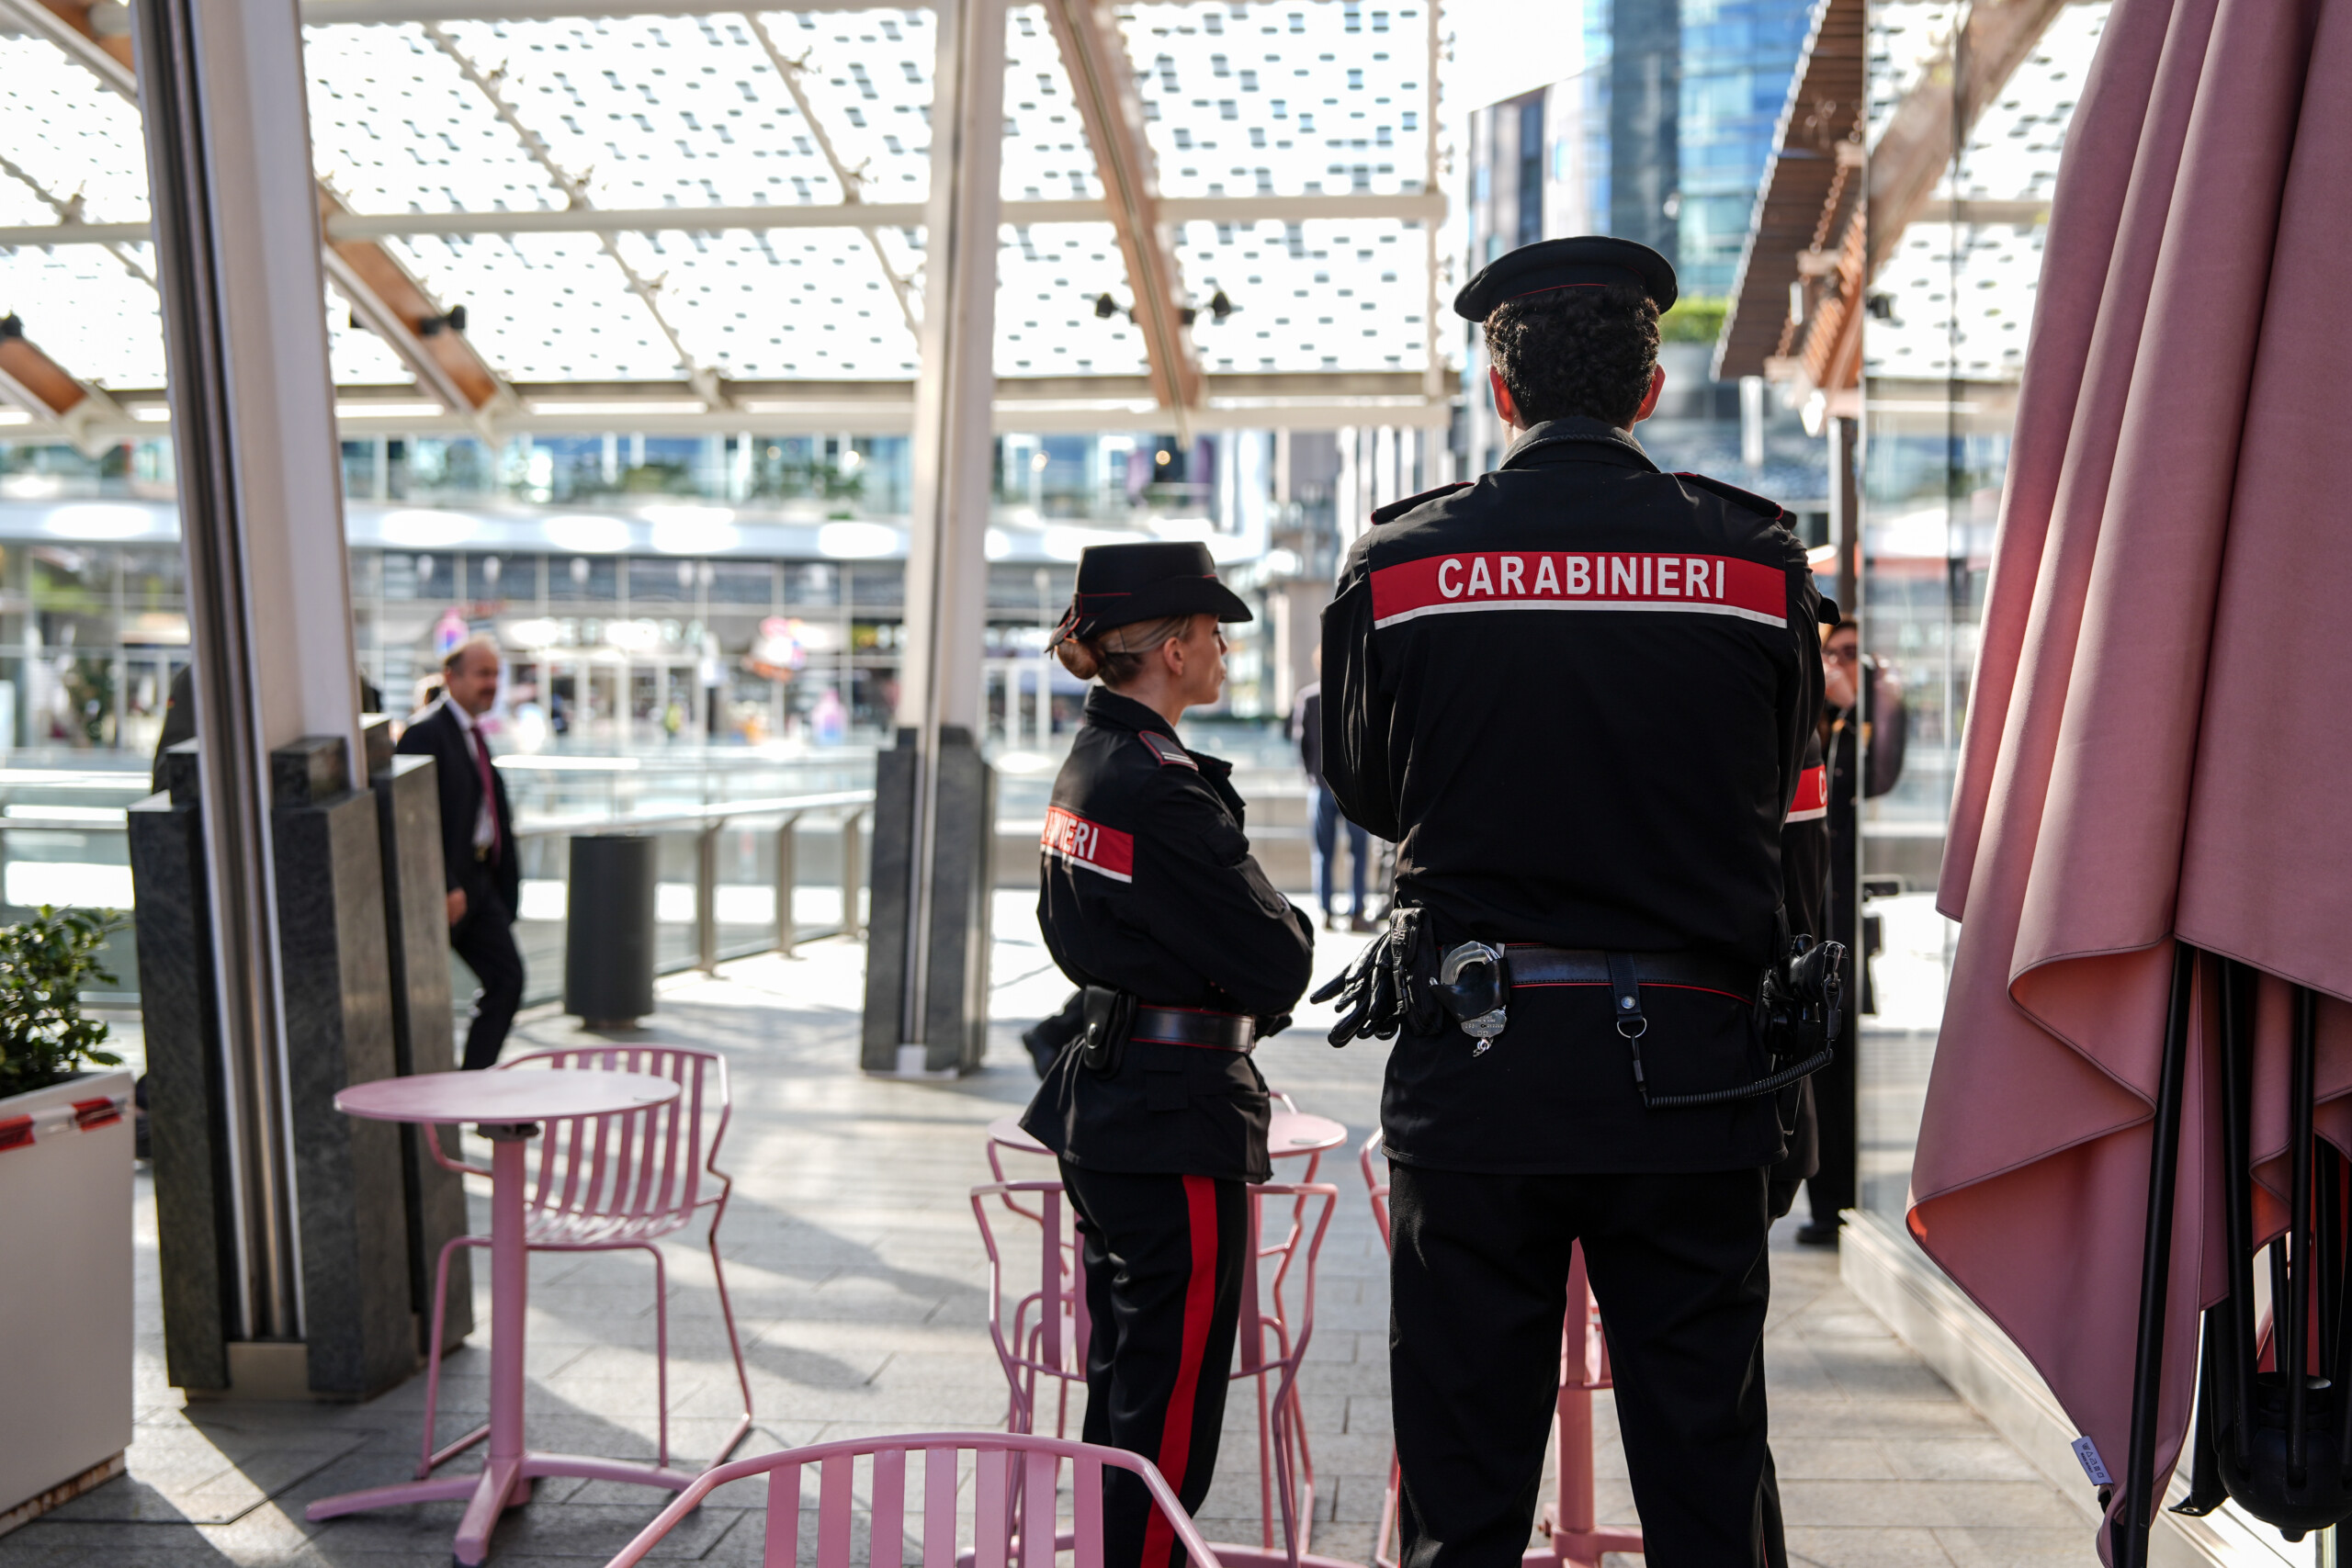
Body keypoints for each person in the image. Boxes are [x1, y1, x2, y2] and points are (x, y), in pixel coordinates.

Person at [1318, 236, 1830, 1567]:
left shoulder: (1400, 563)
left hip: (1478, 1070)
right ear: (1649, 390)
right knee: (1709, 1476)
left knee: (1463, 1485)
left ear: (1501, 391)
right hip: (1699, 1070)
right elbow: (1777, 776)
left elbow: (1369, 787)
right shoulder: (1757, 560)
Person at [1018, 541, 1315, 1568]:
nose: (1225, 649)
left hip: (1113, 1099)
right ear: (1174, 649)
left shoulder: (1094, 763)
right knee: (1171, 1401)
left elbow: (1070, 933)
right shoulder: (1155, 787)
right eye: (1213, 632)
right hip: (1171, 1111)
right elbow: (1278, 959)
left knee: (1128, 1382)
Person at [1798, 617, 1907, 1245]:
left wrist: (1865, 703)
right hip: (1815, 922)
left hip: (1843, 924)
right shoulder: (1815, 725)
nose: (1840, 664)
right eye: (1832, 653)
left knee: (1844, 1066)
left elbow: (1881, 776)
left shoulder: (1863, 725)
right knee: (1820, 1065)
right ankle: (1827, 1202)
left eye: (1852, 655)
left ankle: (1843, 1200)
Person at [397, 636, 523, 1071]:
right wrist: (445, 884)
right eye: (482, 674)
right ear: (451, 677)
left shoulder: (473, 733)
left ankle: (472, 1082)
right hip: (448, 886)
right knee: (421, 996)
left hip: (481, 881)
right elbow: (413, 821)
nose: (492, 683)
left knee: (507, 979)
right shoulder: (425, 734)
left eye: (496, 674)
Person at [1291, 651, 1373, 931]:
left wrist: (1311, 776)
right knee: (1358, 853)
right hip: (1353, 789)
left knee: (1323, 853)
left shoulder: (1309, 698)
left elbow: (1301, 744)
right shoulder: (1357, 695)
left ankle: (1326, 912)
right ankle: (1357, 912)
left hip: (1321, 787)